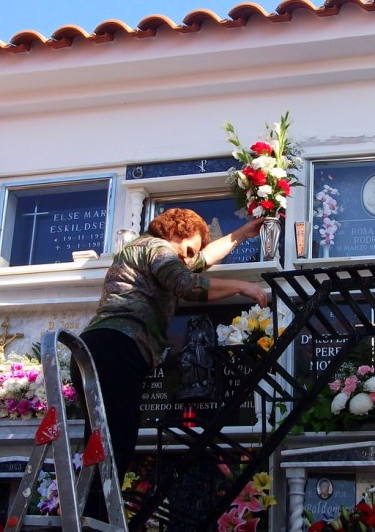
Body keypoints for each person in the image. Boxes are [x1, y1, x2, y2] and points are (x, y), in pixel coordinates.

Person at [74, 208, 267, 519]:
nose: (189, 259)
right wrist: (242, 286)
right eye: (189, 247)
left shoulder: (153, 253)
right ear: (175, 231)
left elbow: (198, 262)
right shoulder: (156, 247)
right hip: (117, 348)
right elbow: (187, 284)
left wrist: (243, 232)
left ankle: (88, 515)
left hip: (96, 349)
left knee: (101, 442)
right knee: (114, 446)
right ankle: (96, 521)